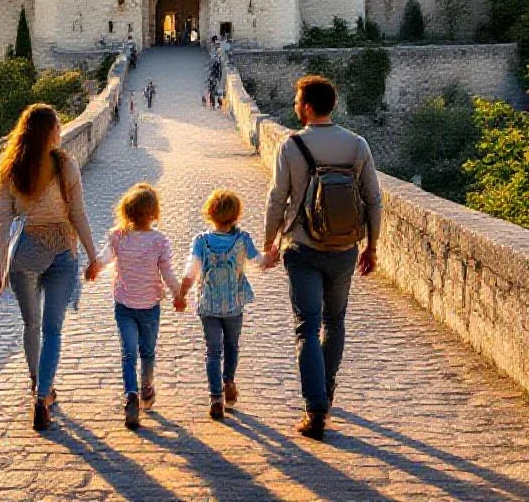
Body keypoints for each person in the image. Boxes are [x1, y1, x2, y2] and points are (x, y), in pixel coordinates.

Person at [262, 75, 382, 441]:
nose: (295, 105)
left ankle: (314, 409)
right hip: (344, 249)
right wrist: (372, 246)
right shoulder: (357, 145)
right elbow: (374, 200)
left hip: (302, 249)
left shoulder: (291, 145)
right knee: (334, 322)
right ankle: (325, 392)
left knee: (306, 327)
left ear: (309, 107)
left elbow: (276, 199)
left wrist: (270, 242)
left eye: (298, 101)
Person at [0, 103, 100, 432]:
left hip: (25, 253)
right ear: (49, 132)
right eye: (57, 126)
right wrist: (93, 256)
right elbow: (78, 214)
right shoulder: (65, 164)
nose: (61, 131)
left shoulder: (9, 168)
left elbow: (2, 224)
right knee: (53, 330)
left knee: (31, 326)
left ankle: (37, 382)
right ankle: (42, 396)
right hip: (63, 251)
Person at [96, 183, 182, 430]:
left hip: (124, 305)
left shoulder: (118, 236)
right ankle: (144, 389)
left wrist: (94, 267)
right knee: (147, 351)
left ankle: (132, 394)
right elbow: (167, 273)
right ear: (154, 214)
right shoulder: (159, 241)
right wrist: (178, 293)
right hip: (149, 307)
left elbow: (104, 258)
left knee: (128, 353)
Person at [175, 189, 263, 421]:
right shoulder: (242, 239)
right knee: (232, 346)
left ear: (210, 213)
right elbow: (260, 261)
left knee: (213, 351)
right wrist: (273, 255)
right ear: (236, 214)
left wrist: (181, 295)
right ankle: (229, 381)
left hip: (209, 306)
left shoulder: (201, 241)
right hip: (234, 305)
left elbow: (190, 273)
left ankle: (215, 397)